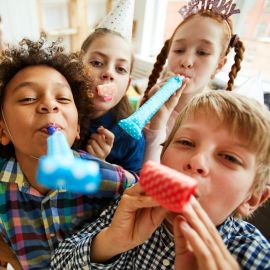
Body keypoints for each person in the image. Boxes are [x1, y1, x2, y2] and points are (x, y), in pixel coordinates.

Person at [51, 90, 270, 269]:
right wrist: (109, 242)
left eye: (229, 157)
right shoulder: (132, 205)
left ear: (252, 198)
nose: (197, 162)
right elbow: (59, 263)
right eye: (186, 143)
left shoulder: (253, 255)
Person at [0, 36, 137, 269]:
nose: (49, 105)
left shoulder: (108, 180)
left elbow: (143, 200)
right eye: (28, 98)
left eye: (62, 99)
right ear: (2, 131)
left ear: (77, 129)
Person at [142, 0, 245, 163]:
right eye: (179, 50)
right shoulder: (149, 107)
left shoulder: (217, 122)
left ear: (218, 66)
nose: (186, 61)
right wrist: (157, 123)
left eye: (202, 52)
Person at [78, 0, 146, 174]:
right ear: (77, 66)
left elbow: (132, 191)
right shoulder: (59, 111)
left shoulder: (130, 137)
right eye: (97, 62)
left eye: (120, 69)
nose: (109, 73)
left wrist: (103, 166)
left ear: (128, 85)